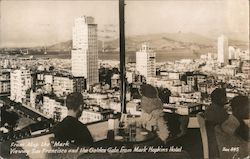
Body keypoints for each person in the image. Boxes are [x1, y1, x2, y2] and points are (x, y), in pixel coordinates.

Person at [204, 88, 229, 158]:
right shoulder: (221, 112)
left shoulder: (209, 109)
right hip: (221, 141)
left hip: (212, 140)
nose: (227, 99)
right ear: (221, 99)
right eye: (225, 97)